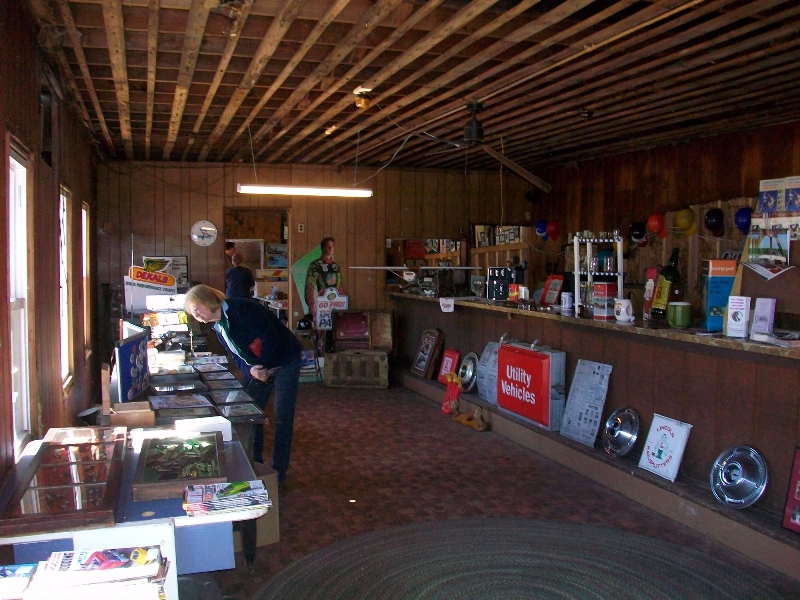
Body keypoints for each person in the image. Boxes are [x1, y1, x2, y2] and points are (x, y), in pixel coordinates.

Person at [184, 285, 302, 487]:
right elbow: (237, 357)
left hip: (285, 360)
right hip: (260, 369)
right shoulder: (218, 328)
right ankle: (255, 467)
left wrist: (261, 366)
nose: (197, 316)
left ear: (207, 300)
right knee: (251, 415)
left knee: (282, 417)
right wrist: (252, 371)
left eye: (197, 310)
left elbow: (270, 337)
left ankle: (278, 474)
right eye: (193, 314)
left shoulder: (242, 308)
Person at [305, 237, 342, 321]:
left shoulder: (335, 266)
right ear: (322, 248)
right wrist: (311, 305)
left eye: (332, 246)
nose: (330, 248)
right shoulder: (315, 265)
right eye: (328, 246)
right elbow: (309, 286)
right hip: (322, 302)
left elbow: (339, 286)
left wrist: (343, 301)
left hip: (336, 303)